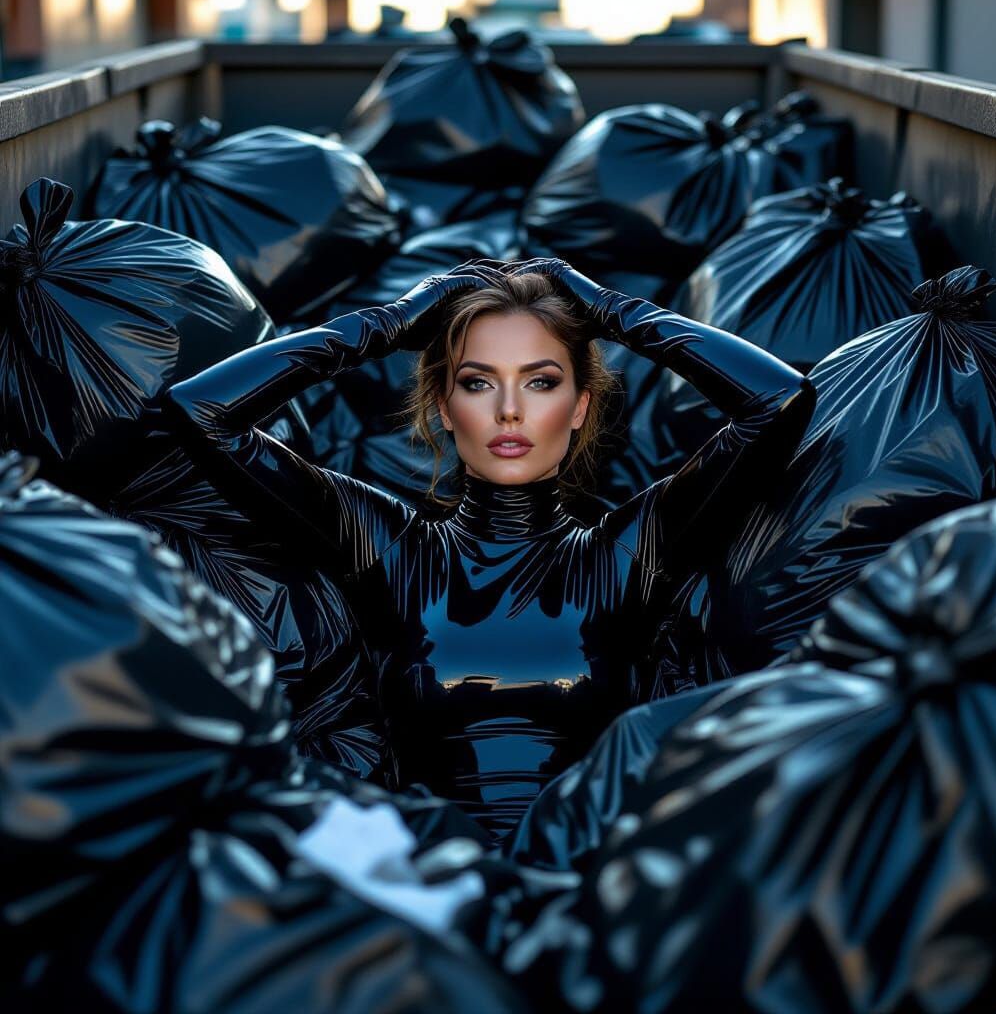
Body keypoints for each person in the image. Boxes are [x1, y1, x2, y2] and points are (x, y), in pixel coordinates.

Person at [165, 258, 815, 843]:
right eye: (478, 383)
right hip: (431, 885)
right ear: (444, 407)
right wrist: (389, 323)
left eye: (540, 382)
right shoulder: (390, 549)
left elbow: (778, 403)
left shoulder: (629, 552)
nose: (509, 411)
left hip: (583, 881)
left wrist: (610, 309)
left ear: (581, 405)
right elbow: (202, 413)